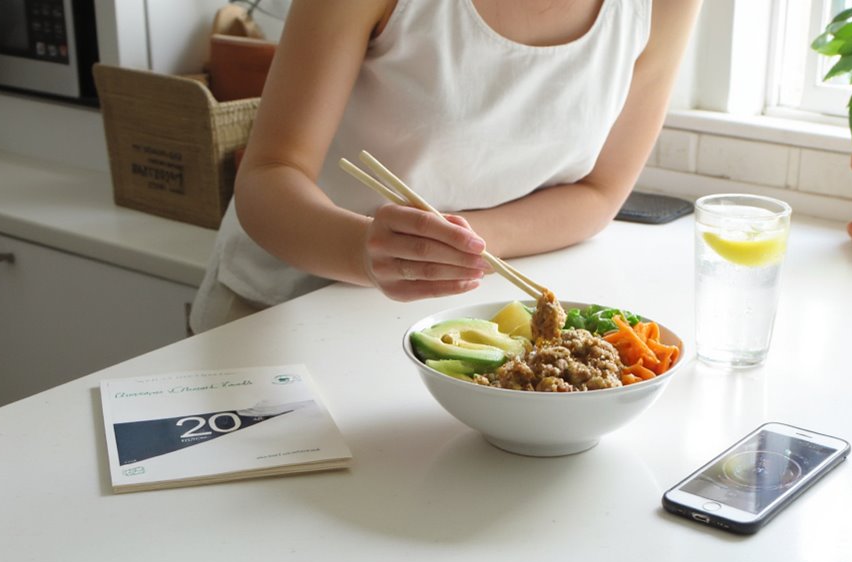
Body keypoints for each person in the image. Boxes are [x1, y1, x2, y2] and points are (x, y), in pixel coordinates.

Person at [190, 0, 702, 333]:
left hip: (452, 320)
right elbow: (269, 173)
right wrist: (363, 250)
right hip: (280, 310)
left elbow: (599, 193)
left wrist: (456, 246)